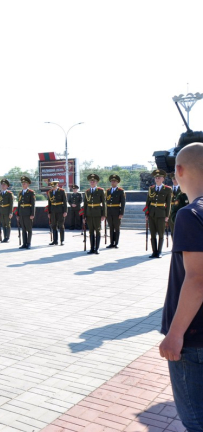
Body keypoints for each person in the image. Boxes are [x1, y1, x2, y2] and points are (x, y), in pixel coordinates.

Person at [158, 143, 203, 432]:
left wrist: (174, 335)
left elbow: (197, 279)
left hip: (194, 338)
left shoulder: (191, 213)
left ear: (179, 171)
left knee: (196, 421)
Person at [146, 169, 172, 258]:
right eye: (156, 178)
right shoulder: (151, 189)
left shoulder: (167, 189)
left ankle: (159, 251)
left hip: (161, 214)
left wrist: (167, 216)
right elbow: (148, 202)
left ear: (163, 179)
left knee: (161, 233)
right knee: (153, 233)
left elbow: (168, 203)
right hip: (151, 214)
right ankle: (154, 252)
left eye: (159, 177)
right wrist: (146, 214)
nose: (157, 179)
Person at [83, 173, 107, 254]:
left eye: (93, 181)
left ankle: (97, 248)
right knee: (91, 231)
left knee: (97, 230)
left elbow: (104, 203)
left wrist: (104, 214)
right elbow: (85, 204)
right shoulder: (87, 192)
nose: (92, 182)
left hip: (97, 213)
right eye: (91, 181)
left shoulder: (100, 190)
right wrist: (84, 216)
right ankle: (92, 248)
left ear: (96, 182)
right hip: (89, 213)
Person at [105, 174, 126, 249]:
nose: (113, 182)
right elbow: (105, 202)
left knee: (116, 228)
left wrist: (121, 213)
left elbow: (123, 203)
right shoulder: (107, 191)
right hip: (109, 212)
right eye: (112, 181)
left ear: (117, 182)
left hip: (116, 211)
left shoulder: (120, 191)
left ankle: (116, 243)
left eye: (114, 181)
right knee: (111, 227)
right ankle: (111, 243)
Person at [17, 176, 36, 250]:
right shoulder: (20, 193)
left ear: (28, 184)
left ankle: (28, 243)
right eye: (22, 183)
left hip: (28, 213)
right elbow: (19, 204)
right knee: (23, 229)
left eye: (25, 183)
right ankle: (24, 243)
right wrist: (18, 214)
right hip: (21, 213)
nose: (23, 184)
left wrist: (32, 214)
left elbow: (33, 204)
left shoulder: (31, 192)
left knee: (29, 229)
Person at [47, 181, 67, 246]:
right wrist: (49, 212)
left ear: (57, 185)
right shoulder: (50, 192)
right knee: (54, 225)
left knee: (61, 225)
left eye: (54, 186)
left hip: (60, 210)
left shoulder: (61, 191)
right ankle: (55, 241)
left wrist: (65, 211)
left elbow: (65, 202)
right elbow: (49, 203)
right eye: (52, 187)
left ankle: (62, 240)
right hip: (53, 211)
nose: (53, 188)